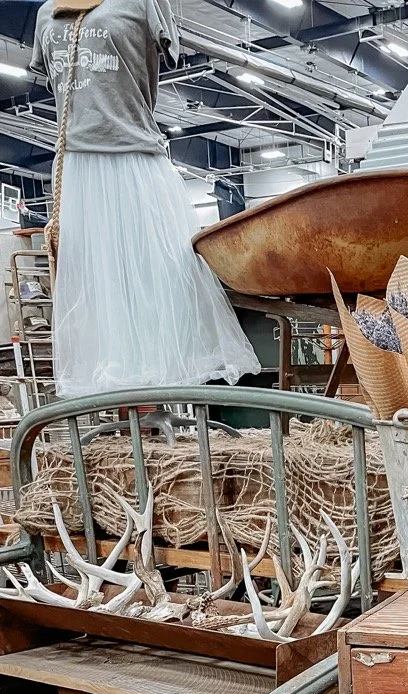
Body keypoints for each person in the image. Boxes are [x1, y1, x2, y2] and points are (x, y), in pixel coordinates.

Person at [30, 0, 260, 398]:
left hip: (134, 160)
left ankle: (159, 405)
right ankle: (127, 409)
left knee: (157, 286)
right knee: (100, 296)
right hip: (77, 172)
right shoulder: (46, 12)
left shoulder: (144, 2)